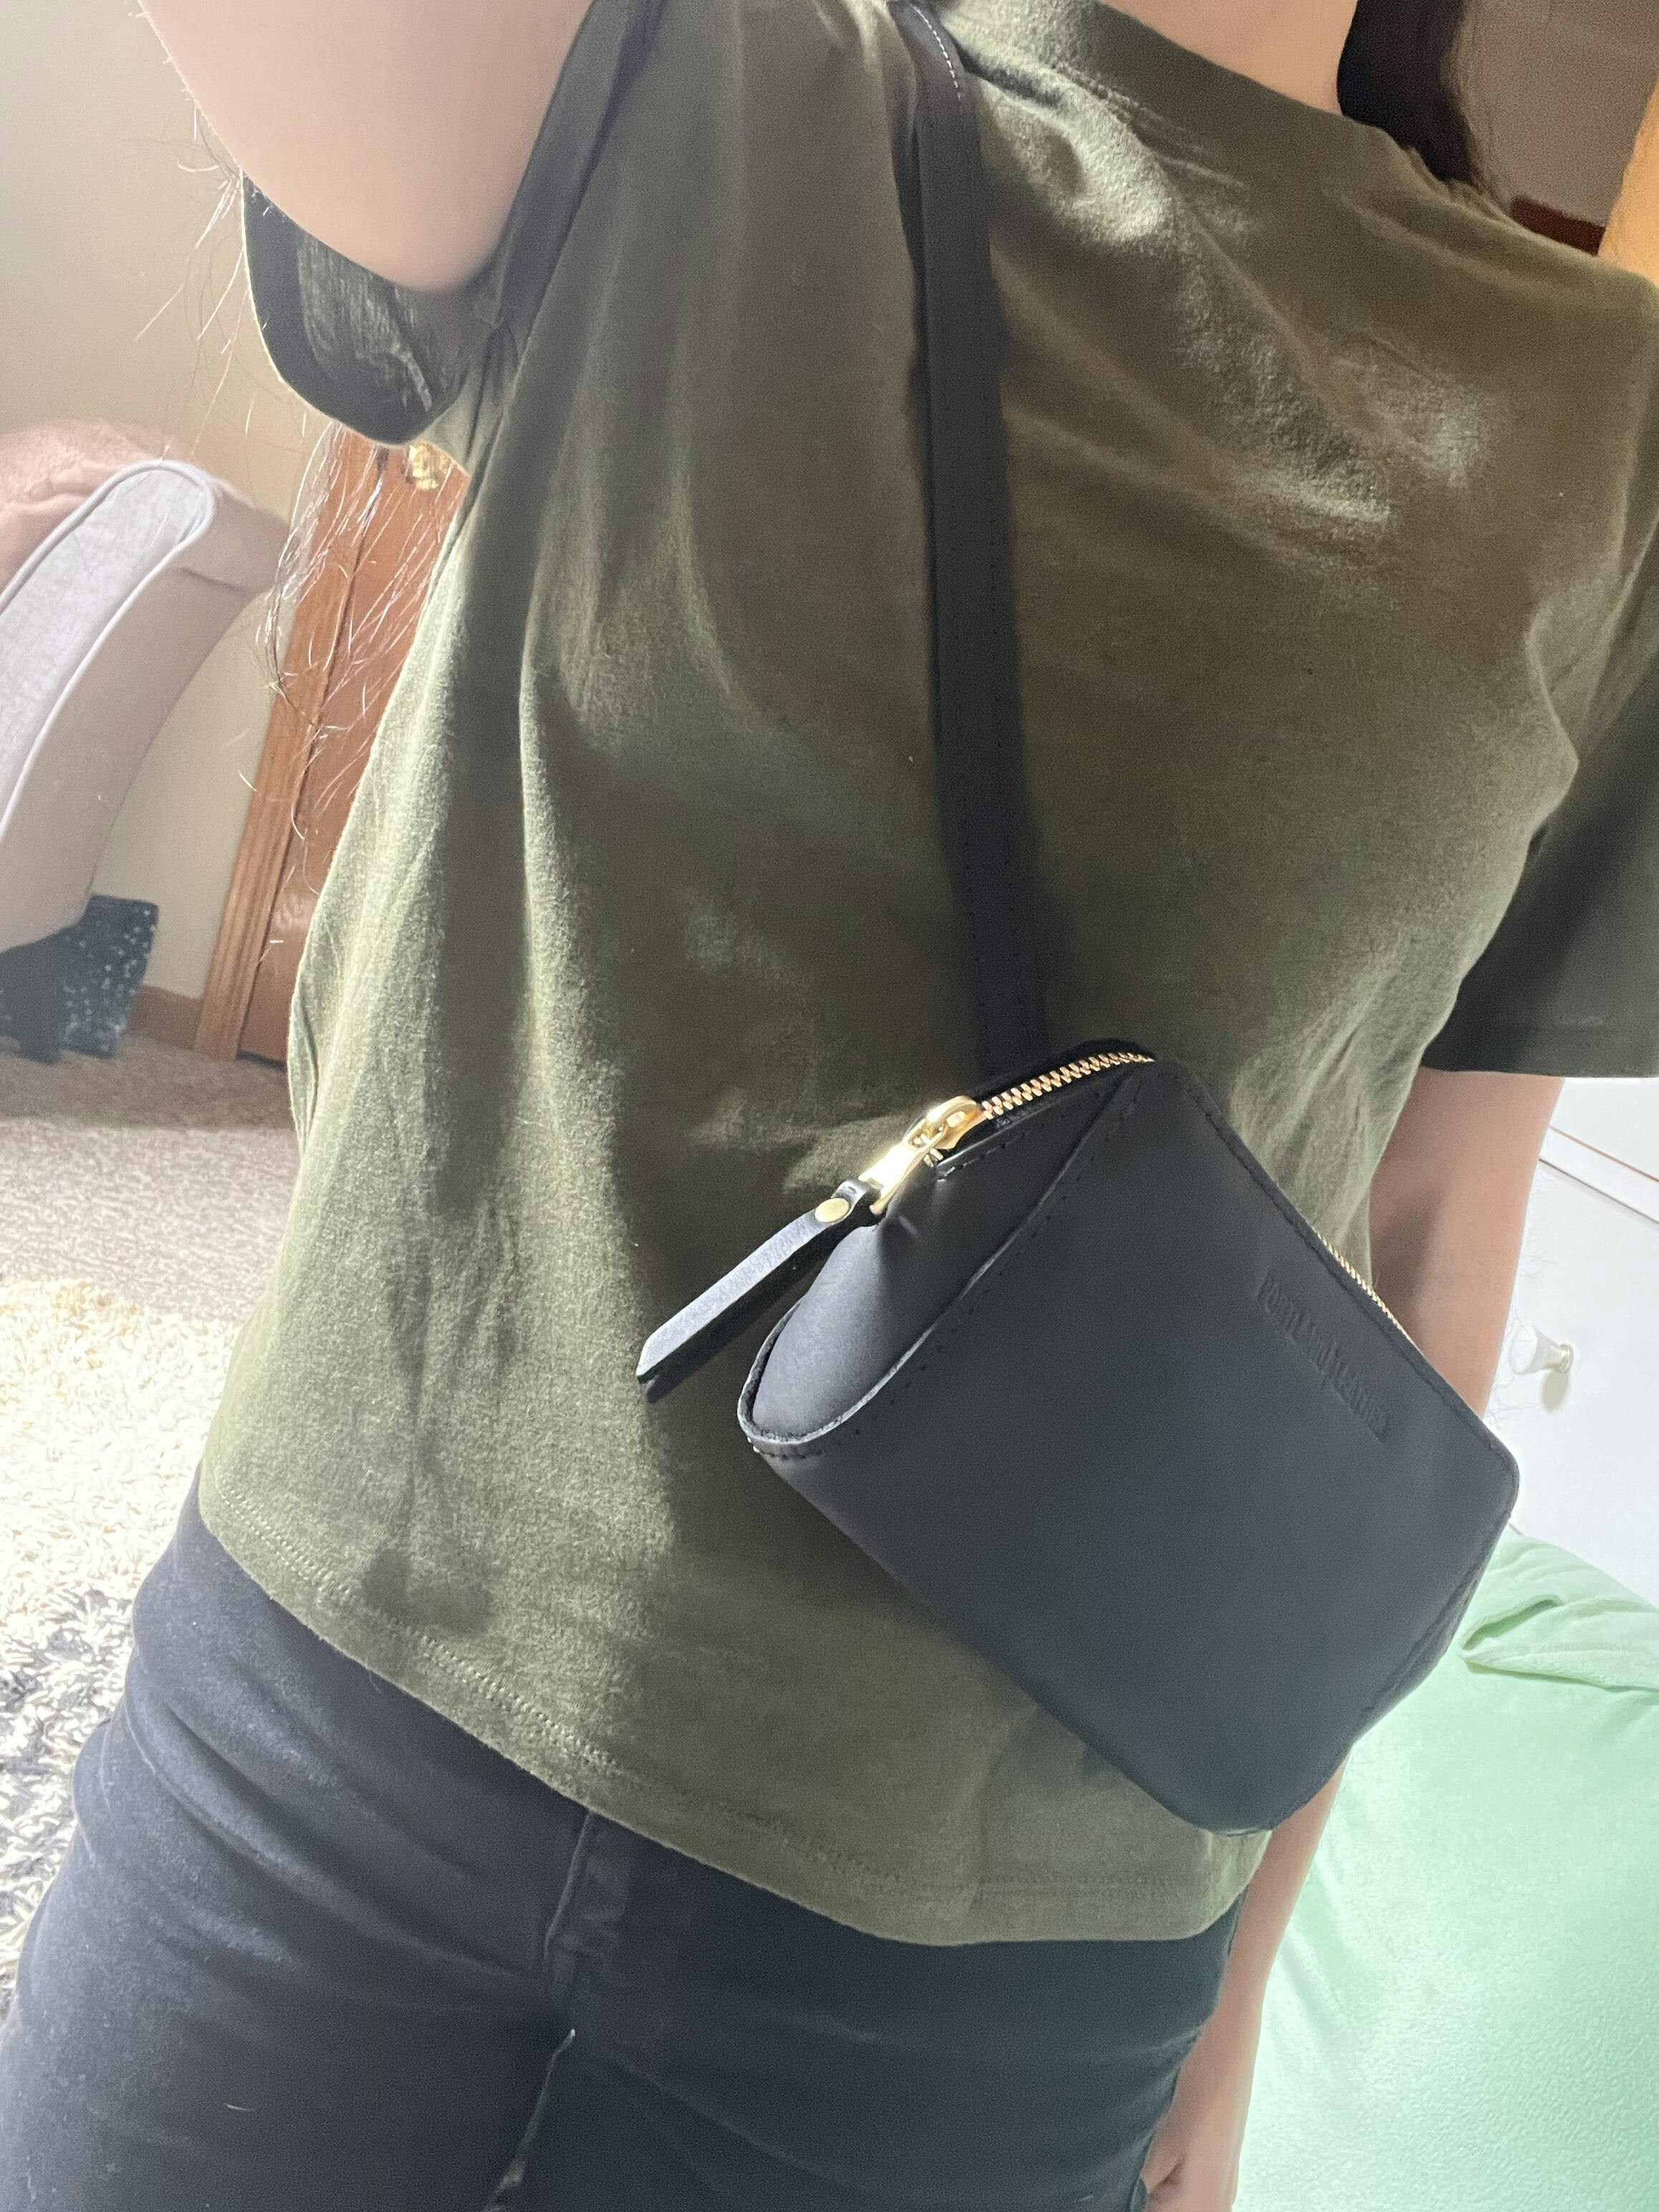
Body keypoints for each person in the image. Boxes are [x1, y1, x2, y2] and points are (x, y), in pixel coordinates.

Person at [4, 0, 1659, 2205]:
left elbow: (1424, 1251)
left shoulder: (1598, 434)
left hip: (1012, 1958)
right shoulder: (683, 73)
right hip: (341, 1727)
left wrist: (1250, 1970)